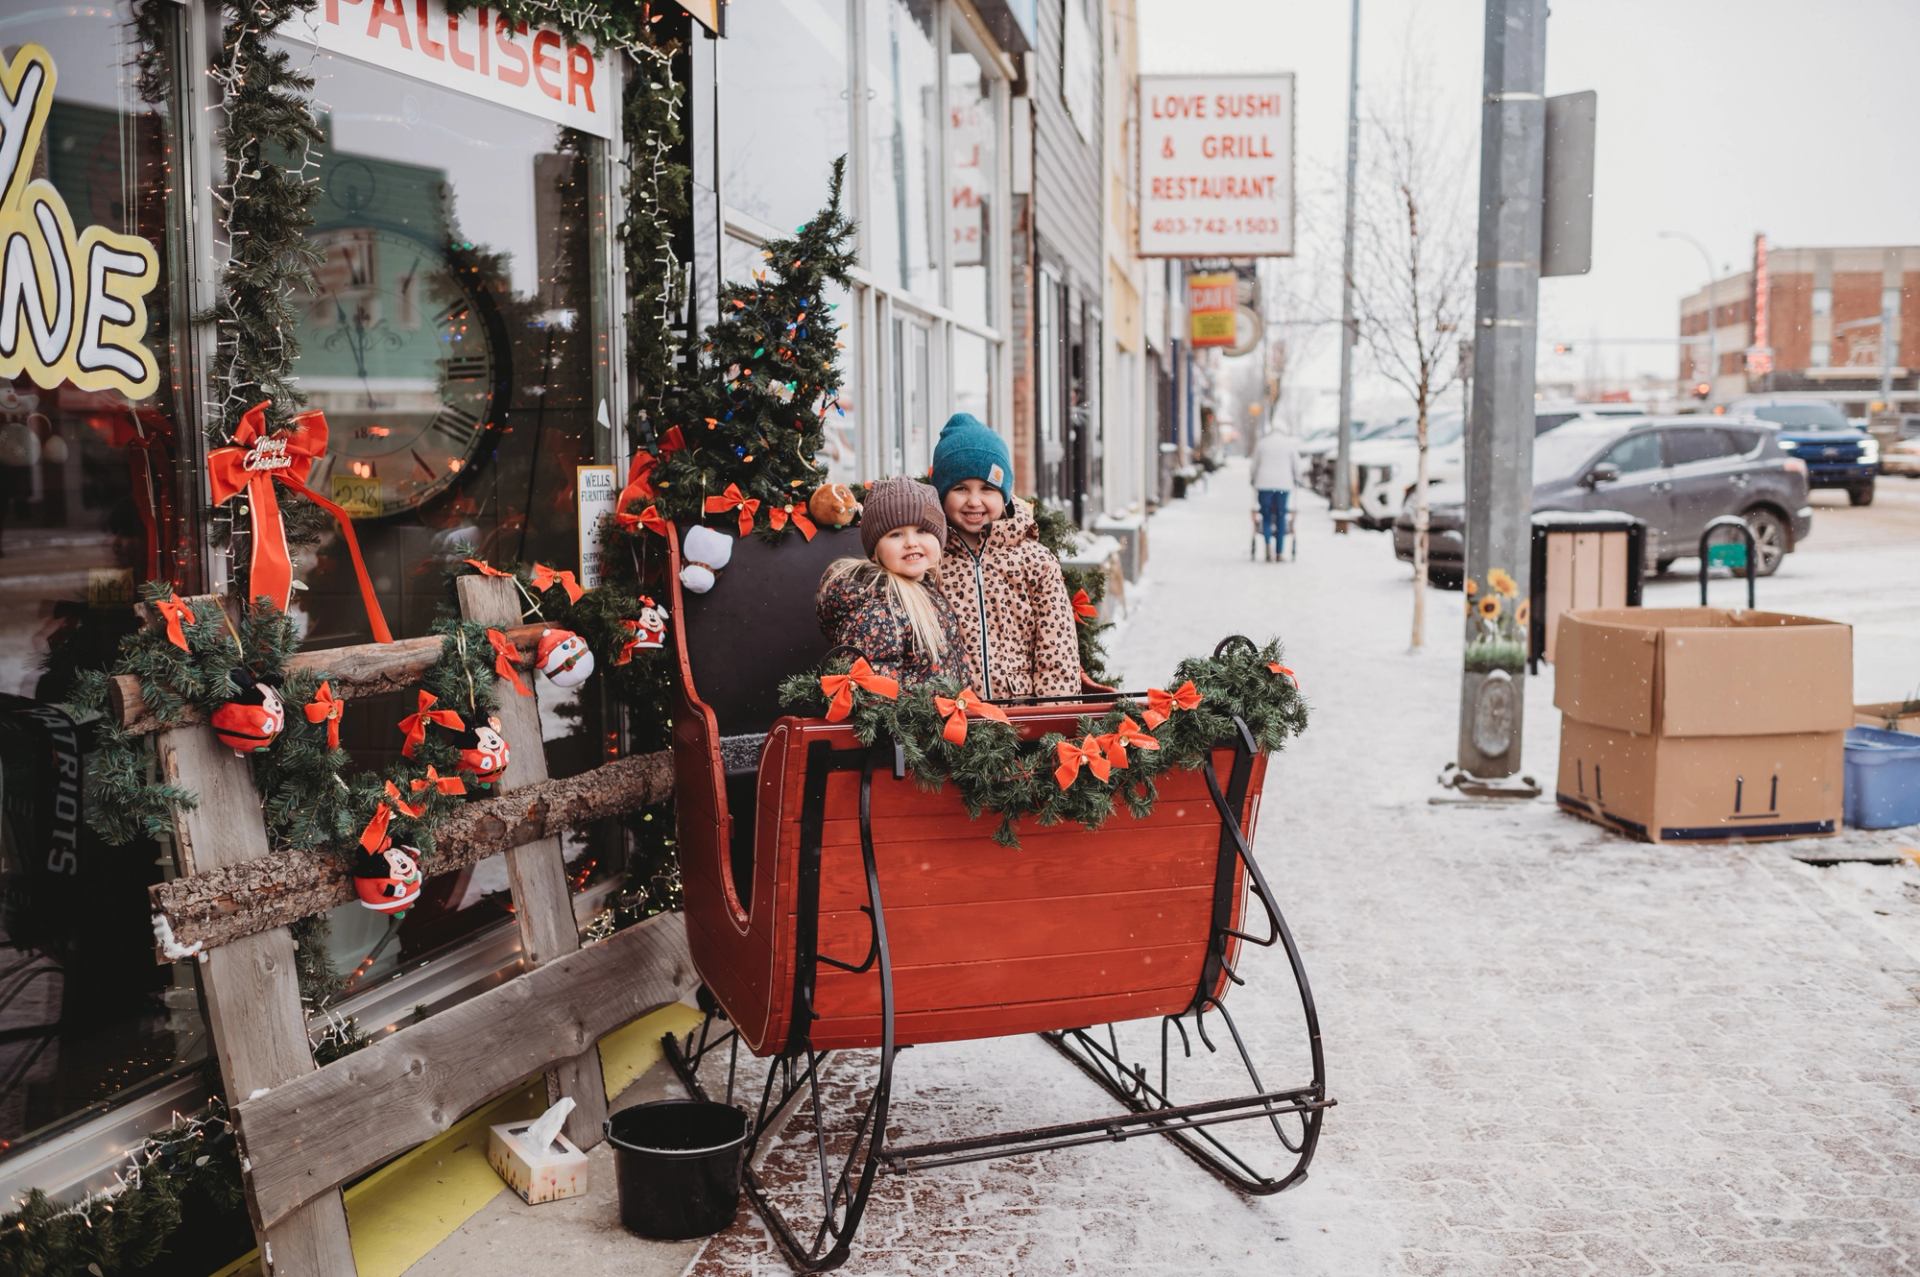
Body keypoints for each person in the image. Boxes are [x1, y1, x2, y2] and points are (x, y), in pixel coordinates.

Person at [929, 412, 1080, 700]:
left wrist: (1051, 720)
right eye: (960, 489)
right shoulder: (931, 559)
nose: (974, 501)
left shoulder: (1035, 561)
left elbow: (1056, 650)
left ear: (1005, 495)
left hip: (1021, 717)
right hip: (953, 720)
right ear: (942, 494)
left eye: (987, 488)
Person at [815, 476, 965, 686]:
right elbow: (876, 699)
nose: (912, 543)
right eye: (896, 535)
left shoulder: (929, 592)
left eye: (922, 531)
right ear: (875, 553)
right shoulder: (879, 614)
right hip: (916, 720)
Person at [1250, 424, 1301, 561]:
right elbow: (1297, 465)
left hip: (1264, 484)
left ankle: (1267, 543)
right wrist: (1297, 478)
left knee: (1266, 515)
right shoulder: (1289, 444)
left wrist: (1253, 479)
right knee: (1280, 516)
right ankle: (1279, 552)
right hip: (1283, 485)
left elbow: (1254, 465)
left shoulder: (1262, 443)